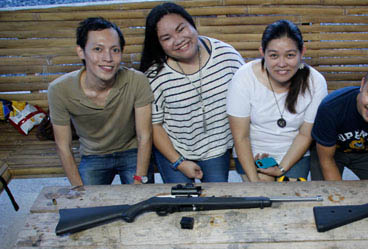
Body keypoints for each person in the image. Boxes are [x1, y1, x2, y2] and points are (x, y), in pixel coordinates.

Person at [140, 2, 244, 183]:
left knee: (215, 199)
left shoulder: (226, 56)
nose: (178, 39)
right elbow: (154, 126)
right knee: (181, 202)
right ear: (159, 44)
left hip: (216, 147)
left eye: (181, 29)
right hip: (173, 148)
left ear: (192, 25)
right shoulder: (156, 75)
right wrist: (179, 162)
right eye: (166, 38)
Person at [48, 17, 153, 186]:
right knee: (88, 208)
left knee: (142, 203)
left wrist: (140, 180)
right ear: (81, 52)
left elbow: (145, 135)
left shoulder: (137, 80)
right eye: (98, 49)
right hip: (93, 154)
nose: (108, 58)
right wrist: (79, 189)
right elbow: (63, 146)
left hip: (130, 150)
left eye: (115, 50)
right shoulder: (59, 89)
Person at [227, 19, 327, 181]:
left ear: (302, 52)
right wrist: (256, 183)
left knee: (290, 194)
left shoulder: (316, 82)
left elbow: (305, 134)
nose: (282, 64)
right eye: (274, 55)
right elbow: (241, 137)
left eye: (290, 55)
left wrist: (281, 169)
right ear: (262, 53)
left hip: (294, 155)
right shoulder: (244, 77)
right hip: (254, 154)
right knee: (263, 192)